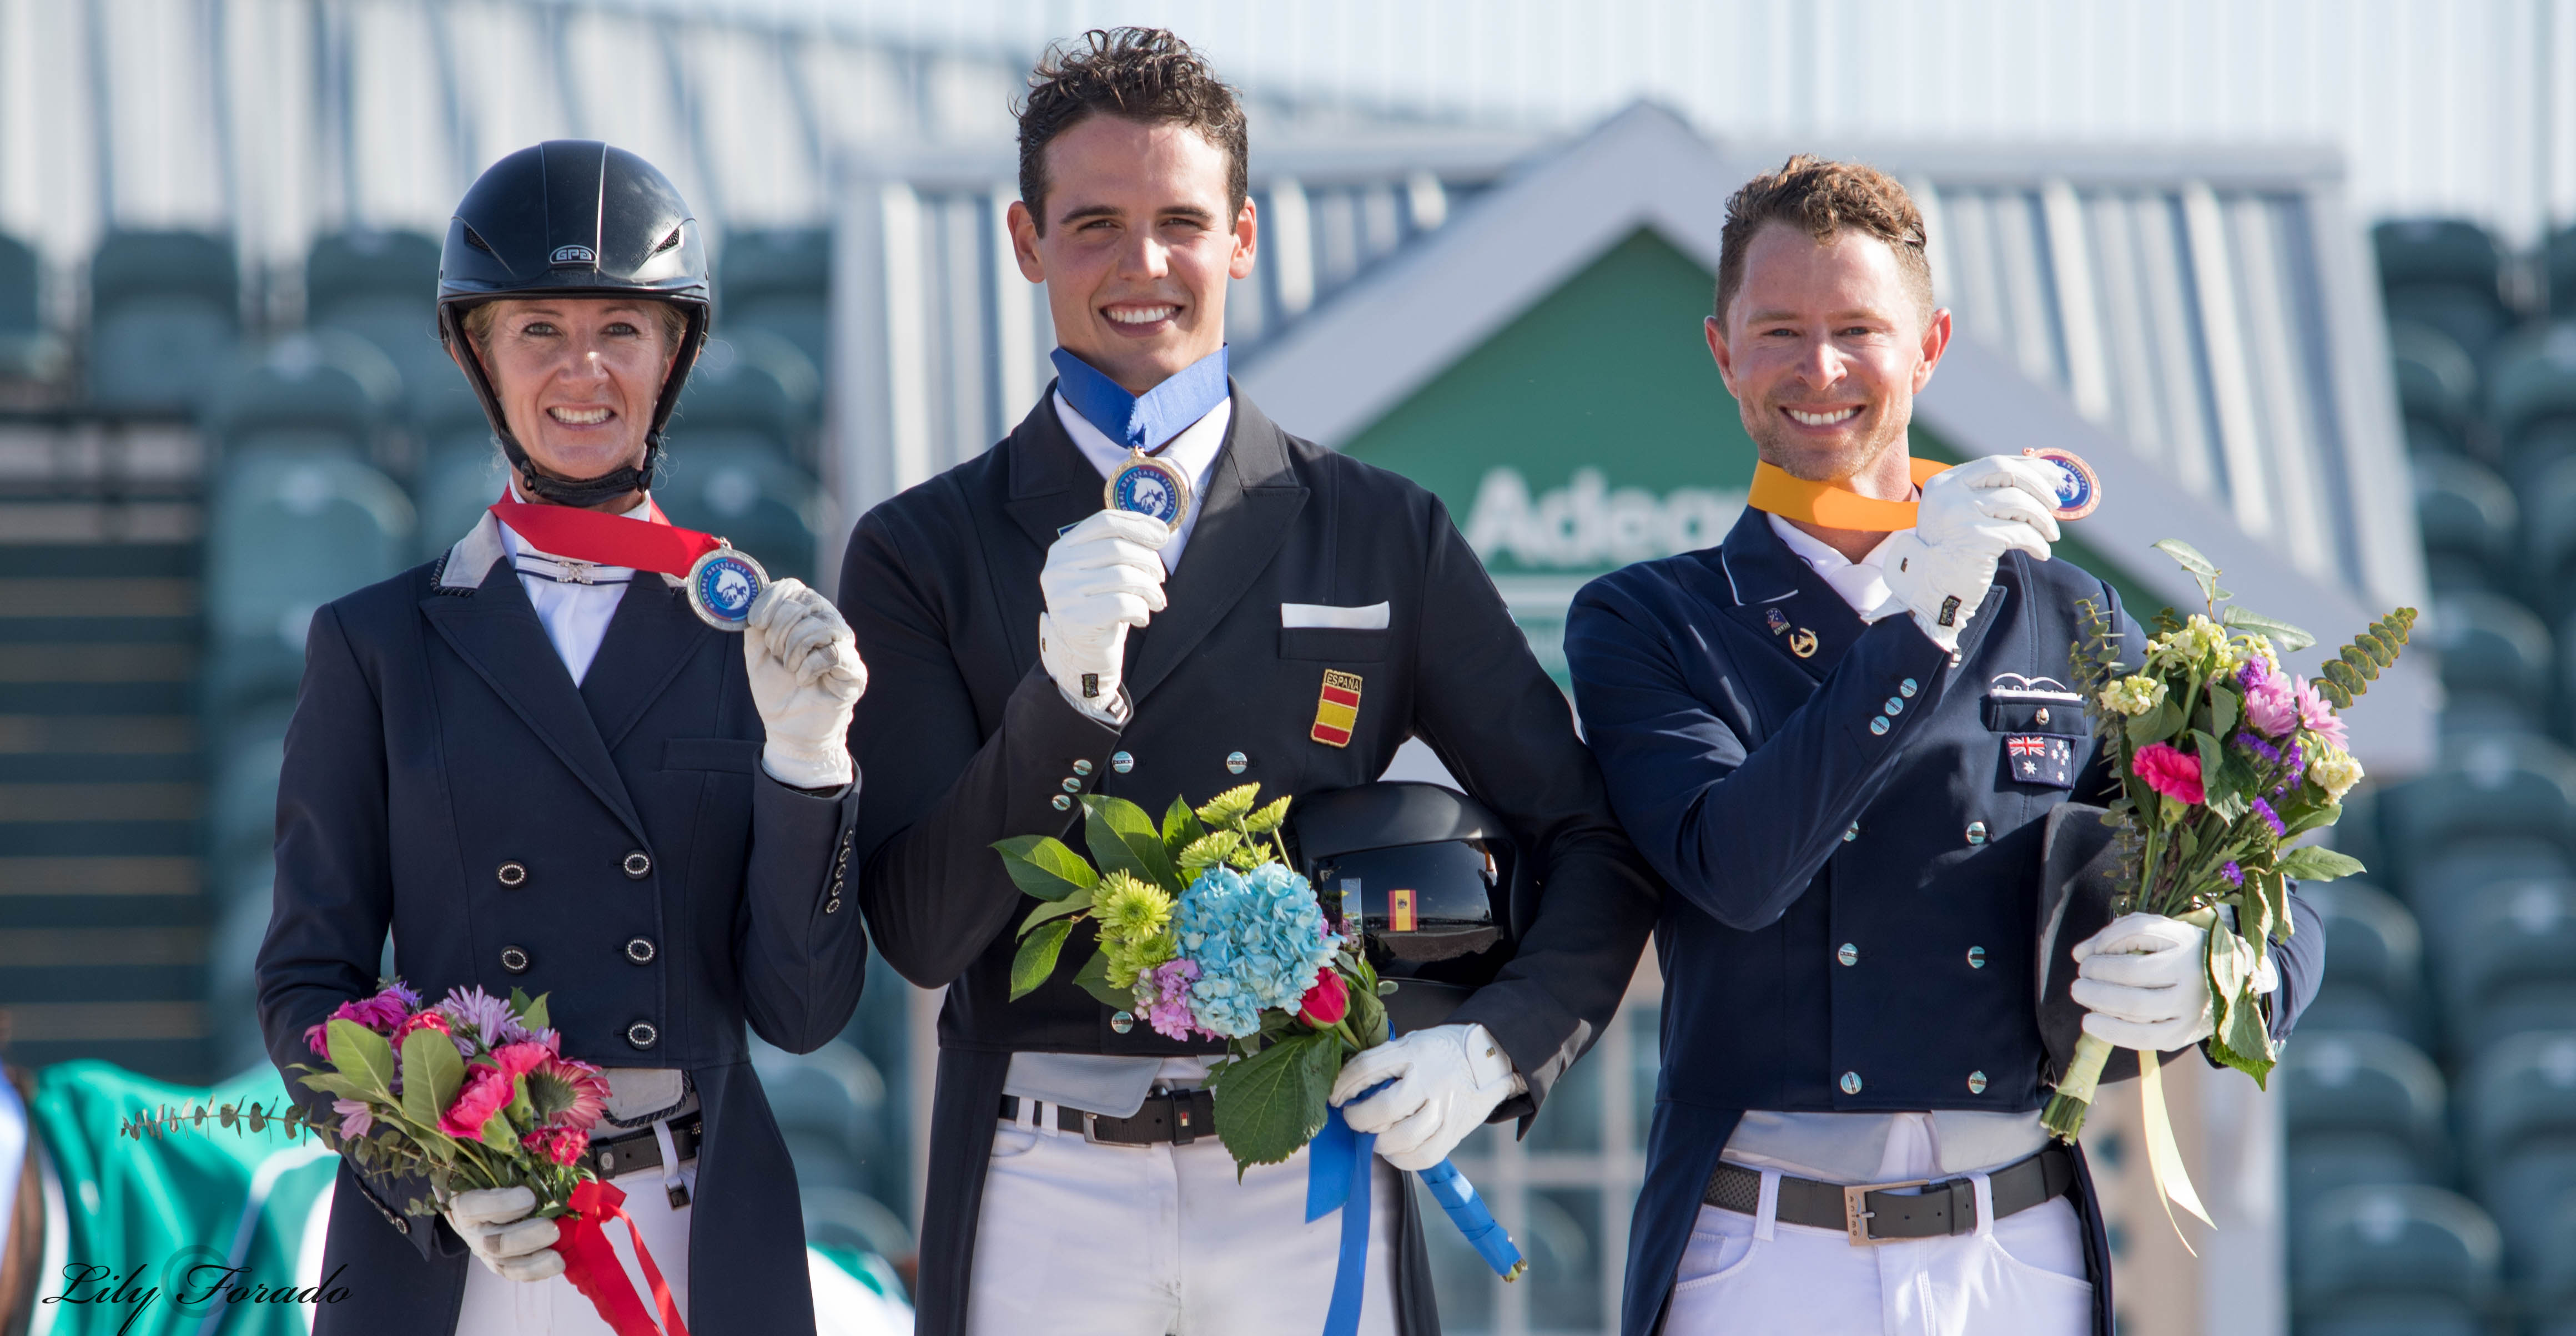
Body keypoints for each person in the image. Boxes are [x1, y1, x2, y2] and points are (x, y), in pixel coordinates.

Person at [836, 28, 1662, 1336]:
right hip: (1037, 1177)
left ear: (1243, 236)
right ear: (1024, 239)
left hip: (1307, 1165)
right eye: (1094, 223)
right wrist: (1062, 698)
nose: (1141, 264)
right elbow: (923, 931)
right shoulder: (920, 545)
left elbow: (1591, 836)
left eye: (1179, 220)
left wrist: (1498, 1044)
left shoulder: (1382, 528)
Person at [1563, 157, 2326, 1336]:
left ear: (1928, 347)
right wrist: (1918, 627)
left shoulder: (2068, 614)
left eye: (1859, 330)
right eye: (1780, 332)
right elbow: (1737, 870)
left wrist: (2232, 973)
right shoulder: (1651, 618)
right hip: (1764, 1255)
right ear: (1721, 352)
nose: (1819, 371)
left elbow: (2258, 865)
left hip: (2016, 1250)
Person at [254, 140, 871, 1336]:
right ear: (473, 351)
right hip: (462, 1242)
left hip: (691, 1231)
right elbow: (306, 981)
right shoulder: (375, 644)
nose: (581, 370)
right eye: (538, 328)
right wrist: (424, 1164)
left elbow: (802, 1012)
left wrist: (809, 763)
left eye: (621, 330)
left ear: (674, 353)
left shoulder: (756, 639)